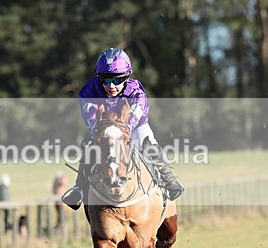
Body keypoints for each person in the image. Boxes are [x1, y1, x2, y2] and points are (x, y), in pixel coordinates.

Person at [61, 48, 185, 210]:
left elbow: (136, 115)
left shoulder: (136, 90)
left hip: (133, 126)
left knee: (148, 143)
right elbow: (91, 118)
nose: (111, 85)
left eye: (117, 80)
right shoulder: (88, 91)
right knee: (90, 146)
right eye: (105, 80)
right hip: (103, 126)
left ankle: (168, 179)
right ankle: (79, 188)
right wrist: (104, 133)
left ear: (126, 78)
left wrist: (122, 132)